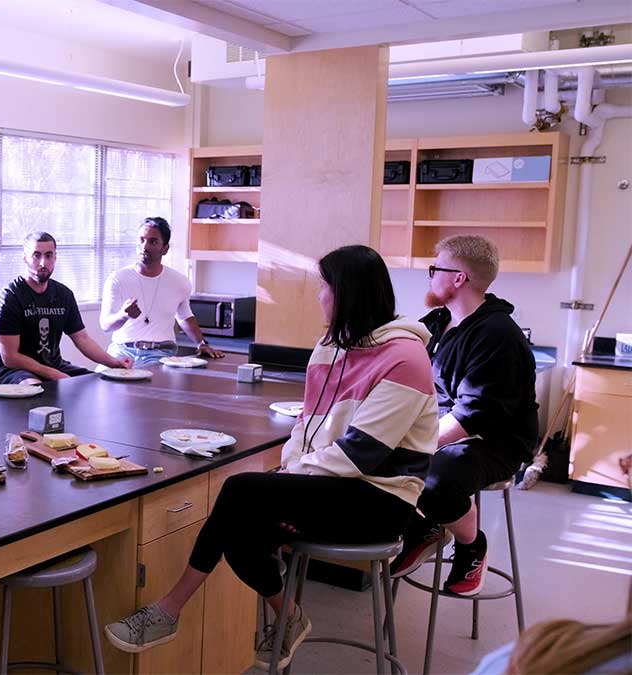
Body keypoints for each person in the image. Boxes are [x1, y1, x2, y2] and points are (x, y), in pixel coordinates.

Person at [105, 245, 438, 670]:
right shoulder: (332, 346)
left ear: (348, 293)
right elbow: (308, 424)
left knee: (239, 489)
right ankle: (290, 615)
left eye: (324, 288)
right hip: (333, 484)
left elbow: (362, 454)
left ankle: (169, 609)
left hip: (381, 499)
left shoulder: (405, 359)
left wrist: (291, 477)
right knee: (238, 528)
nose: (319, 297)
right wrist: (289, 470)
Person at [391, 235, 538, 597]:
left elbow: (473, 415)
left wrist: (417, 445)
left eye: (434, 269)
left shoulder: (498, 335)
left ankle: (471, 544)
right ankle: (423, 528)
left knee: (433, 478)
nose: (429, 277)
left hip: (494, 441)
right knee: (371, 455)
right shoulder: (439, 322)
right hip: (446, 427)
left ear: (458, 278)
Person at [0, 231, 132, 385]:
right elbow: (10, 358)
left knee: (97, 383)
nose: (43, 263)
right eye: (36, 255)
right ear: (25, 258)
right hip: (15, 371)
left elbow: (82, 339)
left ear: (55, 258)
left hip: (53, 365)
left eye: (49, 255)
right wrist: (54, 374)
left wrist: (114, 363)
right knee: (34, 386)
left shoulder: (63, 295)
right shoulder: (9, 298)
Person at [99, 217, 225, 366]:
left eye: (153, 241)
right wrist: (123, 315)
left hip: (160, 353)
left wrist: (201, 343)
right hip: (121, 351)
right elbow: (105, 325)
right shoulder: (117, 279)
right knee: (99, 382)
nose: (144, 247)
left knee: (148, 384)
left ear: (165, 248)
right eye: (141, 240)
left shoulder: (179, 281)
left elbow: (185, 317)